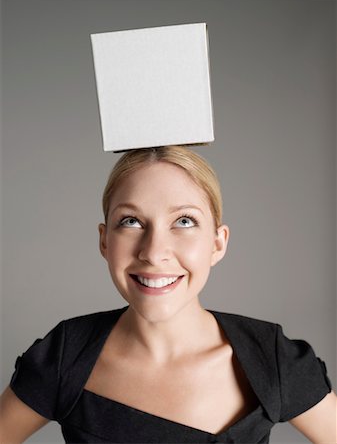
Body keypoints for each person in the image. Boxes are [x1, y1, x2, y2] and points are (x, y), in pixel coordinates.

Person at [0, 145, 336, 443]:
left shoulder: (270, 357)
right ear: (105, 241)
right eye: (131, 221)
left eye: (184, 221)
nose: (154, 252)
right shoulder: (65, 356)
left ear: (218, 243)